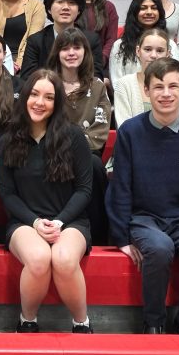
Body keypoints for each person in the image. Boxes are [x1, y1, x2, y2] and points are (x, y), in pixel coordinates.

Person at [108, 57, 179, 334]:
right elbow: (120, 186)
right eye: (158, 87)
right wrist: (121, 238)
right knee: (159, 248)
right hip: (143, 218)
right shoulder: (130, 131)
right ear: (146, 91)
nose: (166, 93)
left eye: (173, 86)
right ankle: (153, 321)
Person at [0, 69, 94, 334]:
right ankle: (27, 321)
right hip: (25, 222)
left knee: (63, 259)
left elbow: (85, 189)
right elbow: (8, 195)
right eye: (34, 94)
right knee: (39, 258)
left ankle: (81, 323)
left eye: (49, 97)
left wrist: (60, 221)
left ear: (57, 103)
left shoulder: (74, 137)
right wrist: (36, 222)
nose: (40, 102)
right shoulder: (8, 139)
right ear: (25, 96)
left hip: (70, 220)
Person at [47, 26, 111, 244]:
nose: (71, 53)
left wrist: (72, 148)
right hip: (49, 152)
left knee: (93, 165)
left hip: (86, 156)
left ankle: (99, 236)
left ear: (85, 52)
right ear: (57, 53)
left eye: (77, 47)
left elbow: (100, 128)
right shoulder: (46, 85)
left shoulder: (97, 86)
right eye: (65, 48)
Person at [20, 0, 104, 79]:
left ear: (79, 10)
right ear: (49, 9)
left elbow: (96, 77)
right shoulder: (36, 41)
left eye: (71, 3)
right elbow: (27, 79)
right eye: (60, 2)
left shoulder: (91, 40)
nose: (65, 7)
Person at [113, 28, 179, 127]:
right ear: (138, 51)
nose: (153, 55)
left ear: (168, 54)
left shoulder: (176, 83)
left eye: (160, 51)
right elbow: (124, 127)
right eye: (148, 49)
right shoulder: (124, 84)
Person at [109, 0, 176, 84]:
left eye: (154, 8)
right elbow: (116, 81)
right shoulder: (120, 45)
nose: (149, 12)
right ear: (135, 12)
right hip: (129, 97)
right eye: (143, 8)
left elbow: (174, 77)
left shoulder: (170, 44)